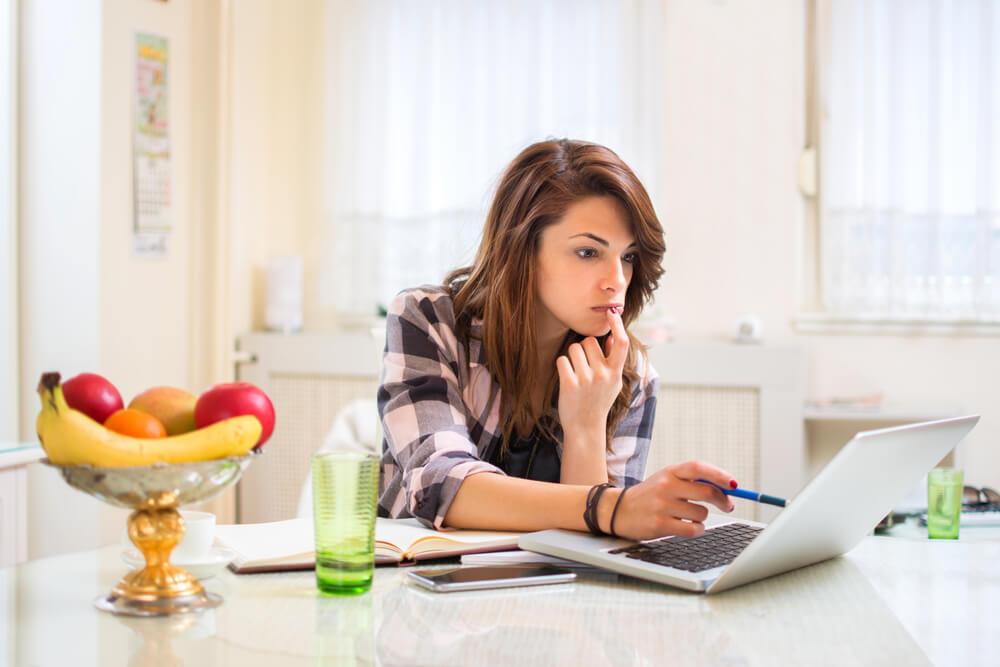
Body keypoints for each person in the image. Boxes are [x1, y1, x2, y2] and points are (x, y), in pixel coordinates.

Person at [377, 139, 736, 541]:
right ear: (522, 251)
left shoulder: (629, 373)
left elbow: (592, 549)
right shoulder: (428, 319)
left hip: (553, 595)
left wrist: (586, 427)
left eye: (629, 257)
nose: (617, 280)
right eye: (587, 252)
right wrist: (610, 506)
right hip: (420, 587)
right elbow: (440, 486)